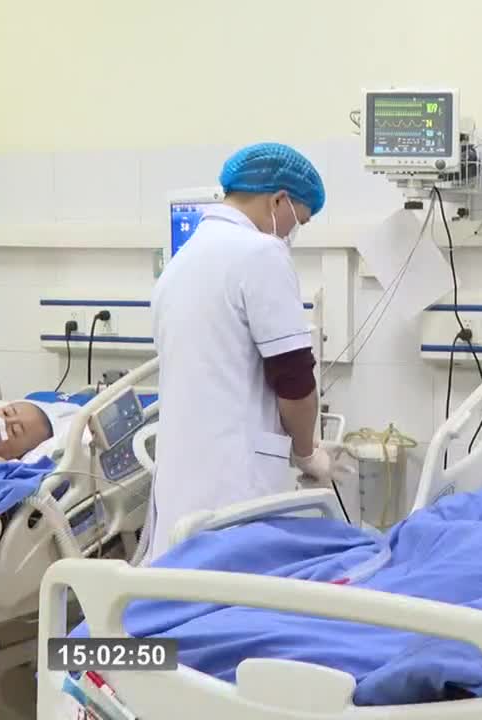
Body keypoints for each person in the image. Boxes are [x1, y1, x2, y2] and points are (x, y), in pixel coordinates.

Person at [144, 142, 332, 563]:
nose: (290, 233)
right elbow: (295, 382)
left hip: (180, 481)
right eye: (296, 221)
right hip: (234, 482)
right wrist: (307, 452)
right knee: (229, 604)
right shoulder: (263, 253)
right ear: (278, 200)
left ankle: (112, 632)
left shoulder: (180, 262)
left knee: (170, 597)